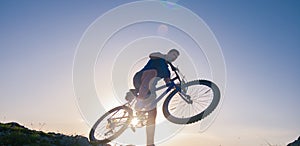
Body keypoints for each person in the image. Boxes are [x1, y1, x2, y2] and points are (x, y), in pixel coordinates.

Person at [128, 49, 180, 146]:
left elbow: (168, 82)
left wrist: (176, 86)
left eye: (175, 57)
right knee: (152, 72)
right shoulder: (159, 56)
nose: (174, 57)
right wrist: (164, 57)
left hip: (149, 89)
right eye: (173, 54)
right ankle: (138, 103)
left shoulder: (167, 71)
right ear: (168, 53)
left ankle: (150, 143)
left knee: (153, 114)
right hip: (140, 78)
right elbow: (151, 55)